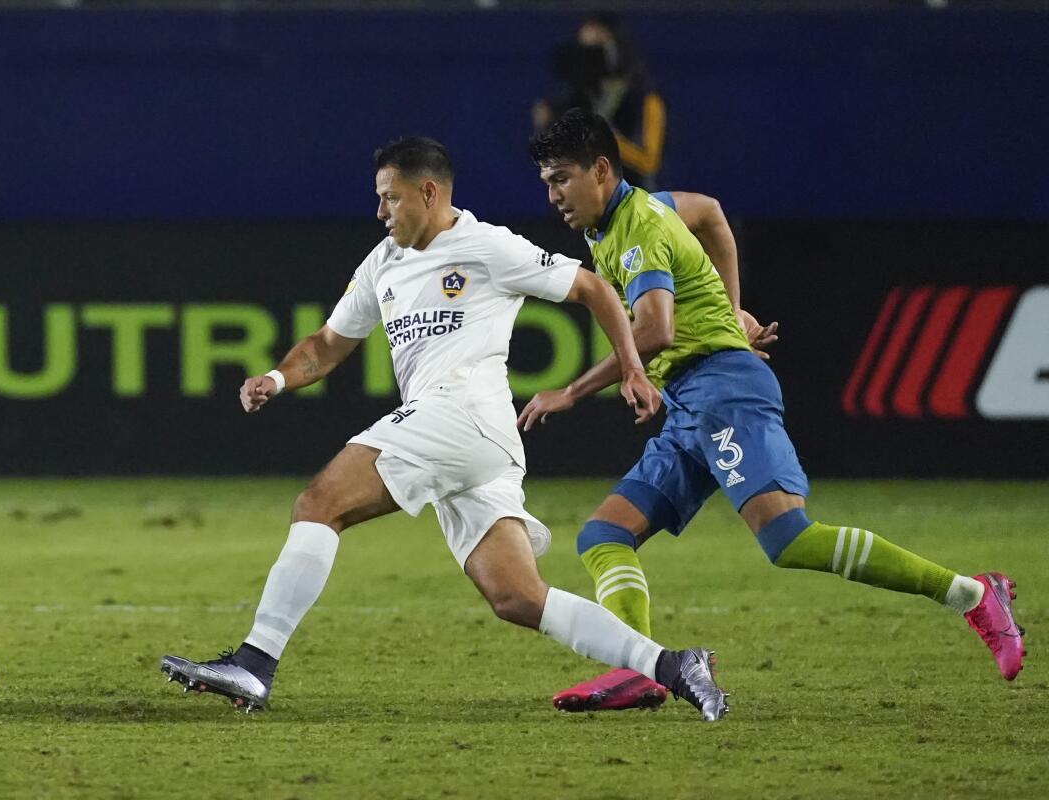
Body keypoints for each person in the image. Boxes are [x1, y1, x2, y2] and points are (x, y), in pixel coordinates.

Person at [160, 136, 729, 721]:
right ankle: (674, 665)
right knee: (516, 597)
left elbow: (594, 288)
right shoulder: (383, 262)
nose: (381, 212)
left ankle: (254, 664)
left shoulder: (485, 245)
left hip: (462, 413)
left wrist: (631, 369)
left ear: (428, 193)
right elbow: (327, 346)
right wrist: (276, 379)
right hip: (479, 442)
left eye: (390, 198)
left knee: (319, 502)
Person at [521, 108, 1026, 712]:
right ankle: (639, 668)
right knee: (605, 534)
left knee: (789, 539)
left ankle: (972, 595)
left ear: (601, 170)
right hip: (691, 400)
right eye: (547, 182)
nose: (552, 195)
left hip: (724, 390)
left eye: (560, 179)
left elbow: (653, 329)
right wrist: (733, 309)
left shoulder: (638, 229)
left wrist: (571, 391)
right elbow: (708, 210)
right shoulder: (640, 209)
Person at [532, 14, 665, 189]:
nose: (593, 62)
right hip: (587, 205)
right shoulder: (577, 100)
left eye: (599, 51)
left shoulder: (644, 99)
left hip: (633, 201)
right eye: (586, 54)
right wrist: (547, 125)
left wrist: (607, 140)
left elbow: (648, 161)